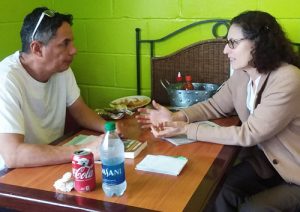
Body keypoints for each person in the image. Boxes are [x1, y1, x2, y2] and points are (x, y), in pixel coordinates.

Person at [136, 11, 300, 211]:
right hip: (270, 165)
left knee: (253, 209)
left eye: (232, 43)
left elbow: (248, 134)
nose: (225, 50)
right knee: (217, 191)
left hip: (296, 173)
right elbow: (215, 105)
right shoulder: (243, 74)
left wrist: (185, 129)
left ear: (259, 43)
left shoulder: (287, 78)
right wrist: (176, 116)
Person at [0, 7, 106, 171]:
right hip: (12, 173)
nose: (73, 50)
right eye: (65, 44)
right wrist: (84, 150)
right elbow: (13, 155)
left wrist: (110, 129)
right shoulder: (6, 79)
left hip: (53, 156)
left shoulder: (61, 69)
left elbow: (79, 111)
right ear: (37, 49)